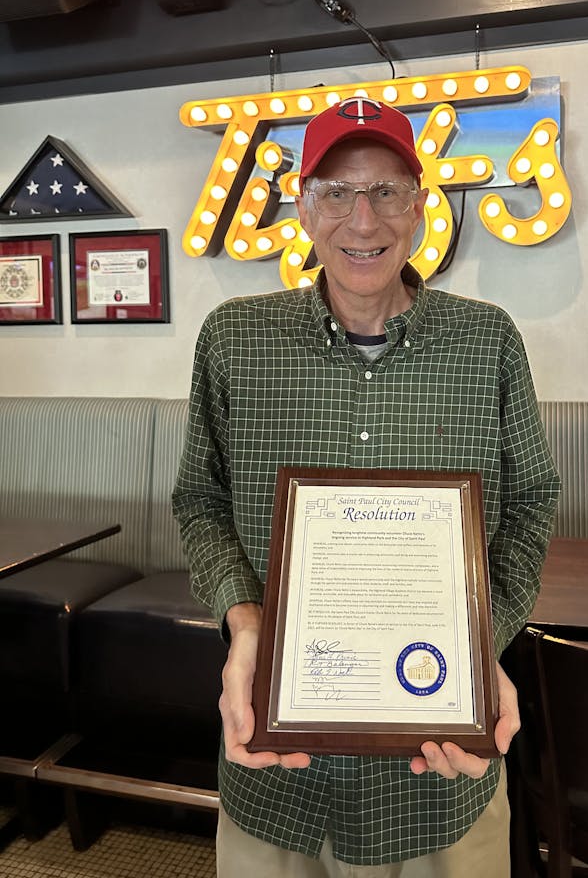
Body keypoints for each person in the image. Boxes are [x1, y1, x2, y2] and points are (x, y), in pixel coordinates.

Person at [173, 97, 561, 877]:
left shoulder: (487, 341)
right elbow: (201, 501)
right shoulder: (233, 339)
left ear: (418, 208)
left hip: (437, 782)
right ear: (303, 207)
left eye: (386, 191)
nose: (363, 219)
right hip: (277, 779)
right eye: (337, 193)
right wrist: (245, 623)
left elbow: (530, 504)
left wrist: (480, 645)